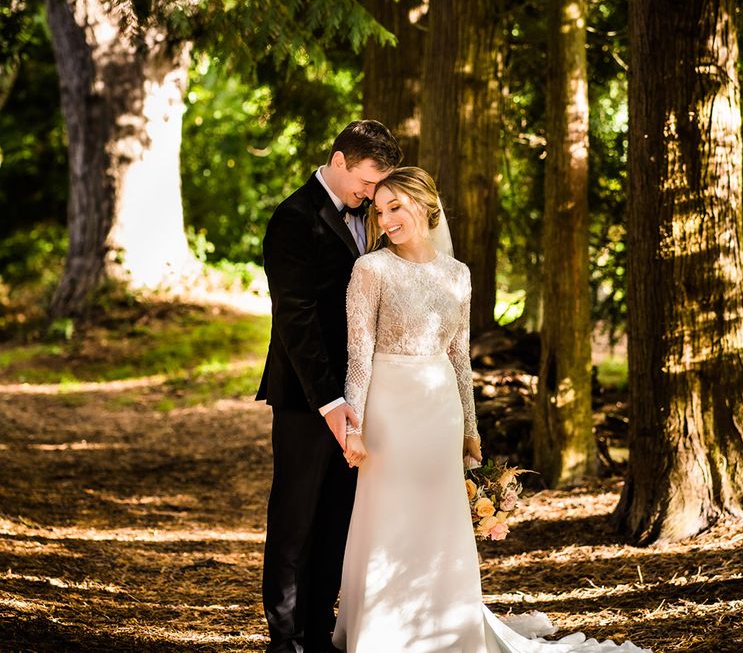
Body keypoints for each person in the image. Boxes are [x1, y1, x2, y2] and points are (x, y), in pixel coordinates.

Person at [332, 167, 650, 653]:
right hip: (388, 410)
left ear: (424, 204)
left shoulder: (457, 275)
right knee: (389, 514)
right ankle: (383, 632)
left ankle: (445, 626)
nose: (386, 219)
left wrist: (471, 430)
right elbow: (359, 351)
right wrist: (353, 426)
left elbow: (460, 357)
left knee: (439, 516)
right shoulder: (371, 270)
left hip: (439, 409)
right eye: (379, 211)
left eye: (396, 207)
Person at [257, 120, 403, 653]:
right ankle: (286, 639)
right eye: (366, 181)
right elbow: (295, 321)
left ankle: (319, 633)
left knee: (338, 519)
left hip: (364, 396)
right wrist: (330, 400)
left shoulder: (371, 217)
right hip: (307, 396)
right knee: (296, 516)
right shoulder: (293, 219)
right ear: (339, 161)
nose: (371, 194)